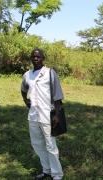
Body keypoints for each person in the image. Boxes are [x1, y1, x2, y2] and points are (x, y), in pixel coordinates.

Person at [21, 48, 64, 180]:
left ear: (43, 58)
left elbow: (57, 97)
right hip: (33, 115)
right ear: (31, 58)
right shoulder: (27, 75)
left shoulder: (50, 73)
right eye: (33, 56)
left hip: (47, 115)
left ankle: (57, 175)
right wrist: (26, 101)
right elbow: (23, 89)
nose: (35, 58)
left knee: (51, 145)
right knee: (37, 144)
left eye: (38, 57)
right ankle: (47, 170)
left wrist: (57, 115)